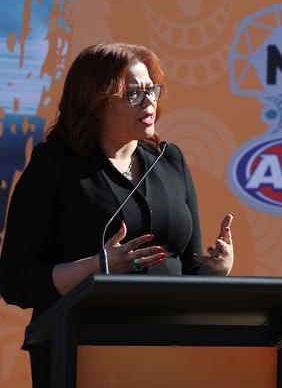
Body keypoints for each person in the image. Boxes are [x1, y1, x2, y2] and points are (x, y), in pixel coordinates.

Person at [0, 42, 234, 387]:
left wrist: (216, 270)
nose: (150, 101)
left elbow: (187, 266)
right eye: (134, 94)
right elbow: (15, 283)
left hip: (168, 352)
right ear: (96, 103)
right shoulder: (55, 166)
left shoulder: (170, 161)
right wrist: (95, 268)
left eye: (152, 89)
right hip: (82, 349)